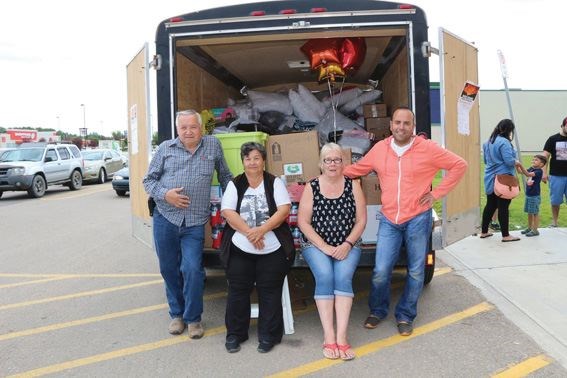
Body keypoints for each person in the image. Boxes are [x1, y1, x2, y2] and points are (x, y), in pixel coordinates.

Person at [343, 106, 467, 336]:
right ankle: (378, 310)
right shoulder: (380, 149)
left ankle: (405, 315)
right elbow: (357, 169)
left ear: (413, 127)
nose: (401, 127)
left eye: (406, 123)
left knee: (417, 271)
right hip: (390, 219)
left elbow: (460, 165)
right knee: (381, 270)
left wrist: (436, 194)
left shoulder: (428, 149)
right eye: (397, 123)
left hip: (417, 218)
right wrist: (329, 172)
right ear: (390, 125)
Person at [143, 109, 232, 339]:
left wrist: (242, 197)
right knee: (168, 268)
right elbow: (148, 180)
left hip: (194, 221)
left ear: (201, 128)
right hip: (165, 217)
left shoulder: (213, 146)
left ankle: (193, 319)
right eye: (184, 127)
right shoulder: (165, 149)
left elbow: (225, 176)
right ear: (177, 129)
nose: (188, 131)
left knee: (192, 269)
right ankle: (177, 315)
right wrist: (166, 195)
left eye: (193, 127)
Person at [220, 142, 295, 354]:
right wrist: (250, 233)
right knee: (237, 290)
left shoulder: (274, 182)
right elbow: (228, 212)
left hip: (272, 247)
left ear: (263, 160)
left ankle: (268, 336)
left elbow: (283, 210)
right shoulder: (235, 184)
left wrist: (261, 231)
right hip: (240, 247)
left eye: (256, 158)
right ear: (242, 162)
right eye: (248, 158)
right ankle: (235, 334)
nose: (252, 162)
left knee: (269, 291)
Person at [297, 143, 367, 361]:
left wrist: (346, 244)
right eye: (328, 160)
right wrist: (325, 247)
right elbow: (303, 222)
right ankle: (329, 336)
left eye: (337, 159)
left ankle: (342, 337)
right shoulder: (312, 187)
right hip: (316, 244)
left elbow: (361, 221)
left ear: (344, 163)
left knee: (343, 277)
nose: (333, 164)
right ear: (320, 164)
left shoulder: (353, 185)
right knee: (326, 276)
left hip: (349, 243)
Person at [480, 119, 523, 242]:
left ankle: (484, 232)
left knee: (490, 205)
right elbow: (509, 161)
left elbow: (486, 161)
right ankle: (506, 235)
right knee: (503, 206)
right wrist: (517, 162)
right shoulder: (504, 142)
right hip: (504, 179)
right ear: (509, 130)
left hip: (489, 178)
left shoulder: (487, 142)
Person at [542, 116, 567, 227]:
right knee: (555, 200)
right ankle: (555, 222)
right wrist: (544, 172)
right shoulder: (553, 139)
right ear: (562, 126)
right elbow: (545, 156)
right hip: (556, 175)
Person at [517, 154, 547, 237]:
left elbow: (527, 174)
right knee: (529, 212)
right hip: (529, 194)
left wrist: (520, 165)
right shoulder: (532, 168)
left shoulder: (539, 171)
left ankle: (535, 230)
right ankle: (529, 228)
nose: (533, 161)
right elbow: (520, 172)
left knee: (535, 213)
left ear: (541, 164)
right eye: (533, 159)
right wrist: (516, 166)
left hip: (534, 195)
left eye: (536, 160)